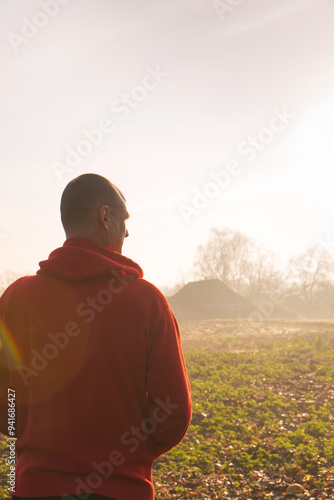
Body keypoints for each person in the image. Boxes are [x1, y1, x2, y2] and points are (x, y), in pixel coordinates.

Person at [0, 173, 192, 500]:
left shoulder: (17, 297)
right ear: (105, 217)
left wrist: (31, 439)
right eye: (124, 219)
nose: (128, 230)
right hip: (122, 490)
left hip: (36, 487)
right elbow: (174, 410)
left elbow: (6, 402)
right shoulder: (147, 301)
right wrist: (131, 454)